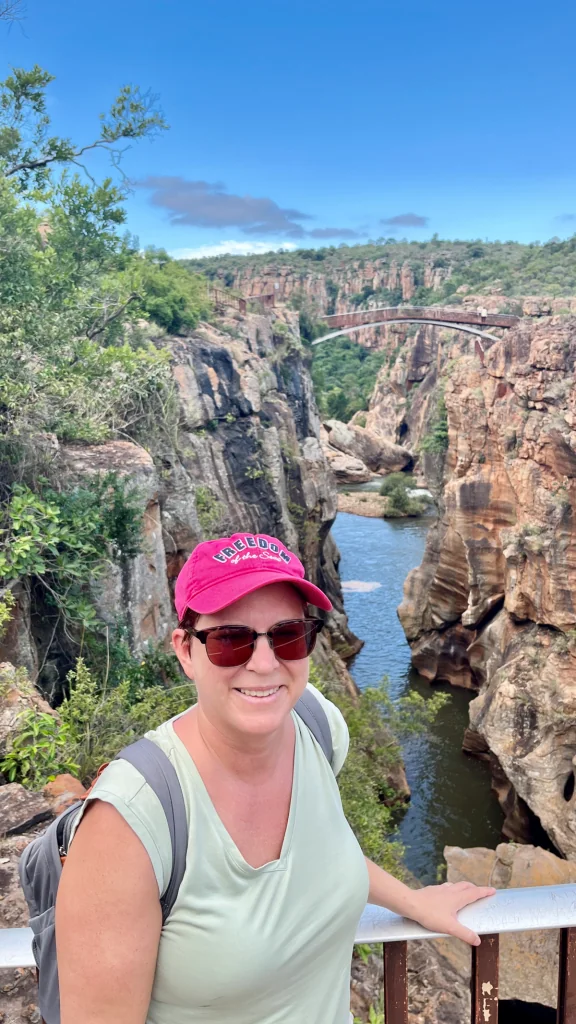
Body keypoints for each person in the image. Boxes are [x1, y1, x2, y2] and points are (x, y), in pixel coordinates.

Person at [55, 531, 495, 1024]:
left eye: (288, 634)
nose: (264, 664)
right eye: (230, 639)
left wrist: (412, 900)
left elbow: (324, 848)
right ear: (185, 651)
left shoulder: (317, 725)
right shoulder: (130, 823)